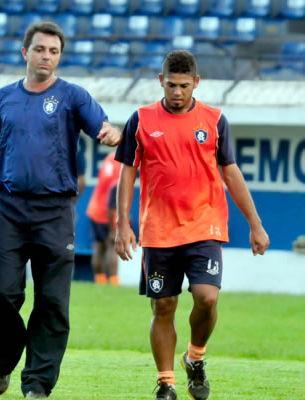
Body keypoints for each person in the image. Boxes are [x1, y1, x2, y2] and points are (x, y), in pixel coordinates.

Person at [0, 21, 122, 399]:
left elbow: (104, 127)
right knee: (2, 295)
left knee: (53, 302)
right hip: (8, 209)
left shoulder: (73, 96)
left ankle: (37, 384)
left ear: (60, 57)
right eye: (40, 49)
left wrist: (113, 133)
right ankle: (3, 362)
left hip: (56, 212)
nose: (47, 57)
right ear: (25, 53)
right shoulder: (4, 98)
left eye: (54, 51)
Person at [114, 50, 269, 400]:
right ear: (160, 81)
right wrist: (122, 223)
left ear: (196, 82)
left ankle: (195, 358)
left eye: (185, 85)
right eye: (171, 85)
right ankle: (166, 382)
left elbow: (231, 172)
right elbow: (127, 170)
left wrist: (255, 224)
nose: (178, 92)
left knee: (207, 297)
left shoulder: (215, 120)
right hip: (157, 230)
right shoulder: (140, 120)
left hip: (204, 225)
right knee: (163, 305)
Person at [85, 151, 121, 285]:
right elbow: (113, 200)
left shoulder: (111, 157)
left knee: (98, 246)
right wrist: (113, 228)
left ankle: (99, 280)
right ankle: (113, 281)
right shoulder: (122, 164)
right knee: (112, 246)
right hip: (107, 212)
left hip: (94, 208)